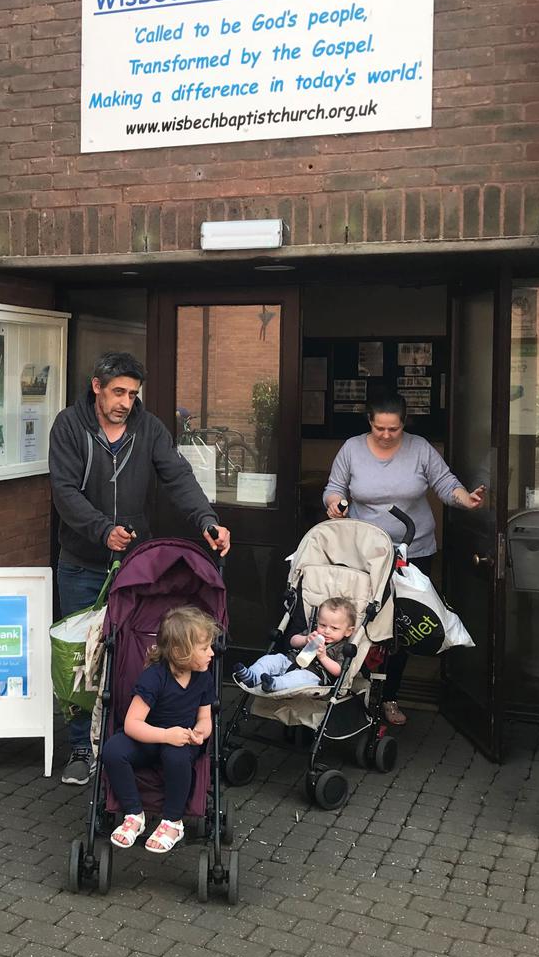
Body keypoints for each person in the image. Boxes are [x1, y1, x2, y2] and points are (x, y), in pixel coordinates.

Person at [49, 351, 231, 784]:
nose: (125, 402)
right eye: (117, 392)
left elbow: (179, 478)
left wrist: (207, 519)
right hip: (81, 563)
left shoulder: (149, 429)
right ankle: (79, 746)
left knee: (134, 653)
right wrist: (101, 530)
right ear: (96, 386)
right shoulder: (69, 426)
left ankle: (129, 741)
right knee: (81, 660)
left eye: (132, 394)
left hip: (134, 568)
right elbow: (64, 490)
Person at [323, 392, 484, 727]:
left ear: (403, 423)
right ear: (370, 422)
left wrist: (465, 500)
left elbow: (445, 483)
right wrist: (335, 503)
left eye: (393, 429)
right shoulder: (352, 449)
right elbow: (335, 488)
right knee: (362, 623)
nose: (386, 434)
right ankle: (356, 691)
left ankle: (390, 697)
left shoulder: (420, 448)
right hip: (365, 553)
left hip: (414, 550)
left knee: (401, 629)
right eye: (380, 428)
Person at [101, 606, 218, 854]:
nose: (211, 653)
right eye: (204, 648)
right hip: (150, 737)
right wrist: (165, 735)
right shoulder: (154, 677)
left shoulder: (204, 678)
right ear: (180, 652)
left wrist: (200, 731)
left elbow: (205, 717)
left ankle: (173, 821)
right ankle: (134, 814)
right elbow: (133, 723)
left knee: (175, 755)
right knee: (112, 750)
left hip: (182, 741)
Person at [231, 596, 356, 692]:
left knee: (298, 678)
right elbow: (292, 641)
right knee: (271, 660)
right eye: (323, 625)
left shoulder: (343, 647)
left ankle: (274, 684)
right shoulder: (313, 634)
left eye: (334, 628)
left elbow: (339, 671)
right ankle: (253, 676)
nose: (326, 631)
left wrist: (323, 657)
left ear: (348, 631)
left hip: (313, 674)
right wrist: (305, 639)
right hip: (290, 661)